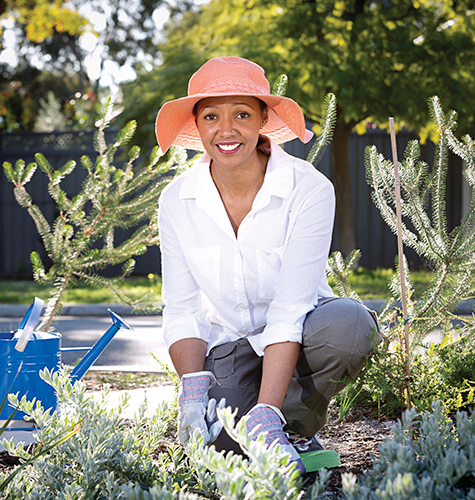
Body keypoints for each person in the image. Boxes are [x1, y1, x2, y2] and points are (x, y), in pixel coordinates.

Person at [155, 56, 381, 474]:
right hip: (230, 346)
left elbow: (290, 309)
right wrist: (191, 391)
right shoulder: (176, 200)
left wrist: (265, 413)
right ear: (197, 124)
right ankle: (258, 423)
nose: (226, 130)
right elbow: (182, 309)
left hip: (305, 337)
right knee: (222, 447)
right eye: (211, 116)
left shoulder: (308, 188)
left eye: (242, 113)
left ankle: (286, 424)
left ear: (262, 118)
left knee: (350, 325)